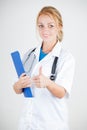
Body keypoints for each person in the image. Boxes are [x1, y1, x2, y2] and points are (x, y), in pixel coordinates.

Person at [13, 6, 75, 130]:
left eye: (50, 25)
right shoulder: (29, 54)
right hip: (27, 122)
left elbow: (61, 93)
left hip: (51, 123)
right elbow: (17, 89)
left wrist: (47, 83)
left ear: (59, 27)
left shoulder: (66, 58)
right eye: (41, 26)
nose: (45, 30)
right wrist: (18, 85)